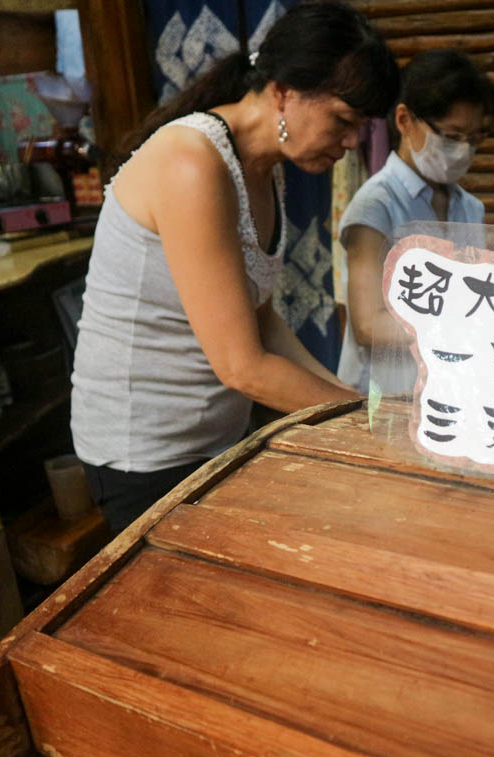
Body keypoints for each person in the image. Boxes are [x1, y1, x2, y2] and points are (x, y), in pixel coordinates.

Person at [71, 1, 399, 533]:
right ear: (283, 92)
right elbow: (242, 366)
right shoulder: (191, 161)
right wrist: (372, 420)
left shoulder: (264, 169)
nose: (351, 143)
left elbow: (263, 320)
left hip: (213, 437)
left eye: (360, 127)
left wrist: (357, 405)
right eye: (343, 121)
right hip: (144, 451)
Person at [337, 49, 494, 392]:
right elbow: (368, 325)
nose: (463, 150)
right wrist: (460, 328)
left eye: (474, 140)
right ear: (404, 120)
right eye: (452, 137)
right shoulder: (376, 204)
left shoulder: (471, 209)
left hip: (442, 390)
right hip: (380, 396)